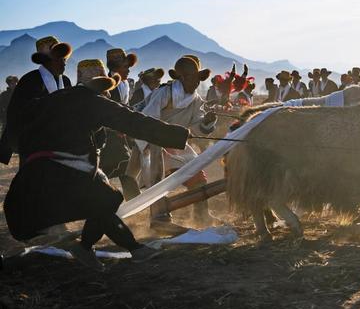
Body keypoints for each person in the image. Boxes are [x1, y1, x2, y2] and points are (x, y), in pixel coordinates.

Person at [3, 59, 190, 270]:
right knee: (106, 199)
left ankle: (134, 249)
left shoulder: (55, 99)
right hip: (58, 177)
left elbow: (20, 123)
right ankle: (94, 248)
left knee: (100, 201)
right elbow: (134, 122)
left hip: (30, 183)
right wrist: (179, 135)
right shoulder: (91, 102)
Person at [139, 55, 218, 230]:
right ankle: (160, 217)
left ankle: (201, 215)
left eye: (198, 78)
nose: (196, 82)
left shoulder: (196, 99)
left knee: (198, 178)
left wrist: (207, 121)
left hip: (178, 144)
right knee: (159, 182)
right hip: (155, 144)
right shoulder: (163, 93)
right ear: (180, 77)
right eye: (191, 77)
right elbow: (147, 120)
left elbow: (197, 127)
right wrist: (164, 137)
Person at [0, 36, 72, 165]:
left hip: (62, 144)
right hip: (35, 147)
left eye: (64, 58)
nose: (64, 62)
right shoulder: (30, 80)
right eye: (59, 58)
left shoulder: (65, 81)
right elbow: (17, 114)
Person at [100, 48, 140, 200]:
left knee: (122, 165)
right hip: (108, 134)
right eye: (125, 67)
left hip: (120, 133)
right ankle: (133, 200)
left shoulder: (125, 84)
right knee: (119, 164)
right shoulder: (106, 84)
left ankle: (133, 200)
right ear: (115, 68)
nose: (129, 70)